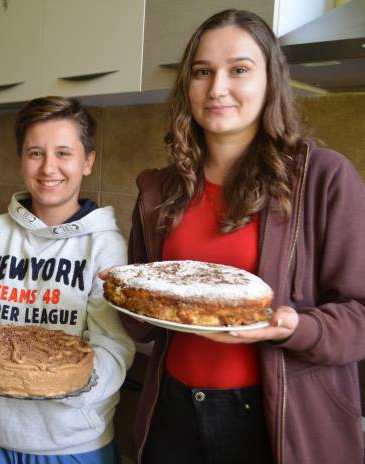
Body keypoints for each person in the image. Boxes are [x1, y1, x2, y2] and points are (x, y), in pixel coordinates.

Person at [119, 9, 365, 464]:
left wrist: (297, 327)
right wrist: (124, 293)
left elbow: (360, 316)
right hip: (171, 413)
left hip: (274, 425)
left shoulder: (323, 178)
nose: (217, 88)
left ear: (270, 80)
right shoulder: (160, 189)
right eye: (202, 72)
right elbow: (143, 325)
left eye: (239, 70)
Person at [0, 96, 135, 464]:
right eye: (35, 153)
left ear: (87, 161)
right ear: (21, 160)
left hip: (72, 445)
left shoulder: (106, 246)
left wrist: (51, 382)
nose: (48, 168)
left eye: (63, 153)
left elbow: (114, 348)